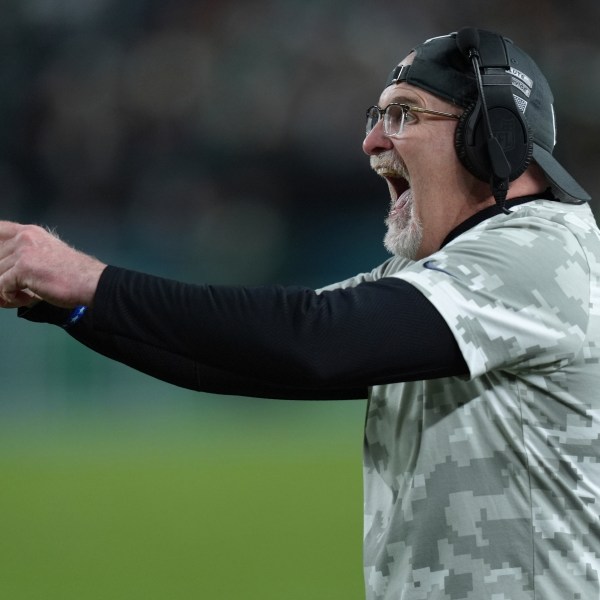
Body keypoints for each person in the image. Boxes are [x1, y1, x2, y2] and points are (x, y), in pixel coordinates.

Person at [0, 26, 598, 600]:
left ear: (490, 138)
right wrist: (64, 300)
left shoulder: (538, 252)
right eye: (376, 118)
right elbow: (244, 362)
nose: (372, 142)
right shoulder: (444, 272)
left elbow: (313, 342)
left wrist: (85, 279)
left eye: (404, 115)